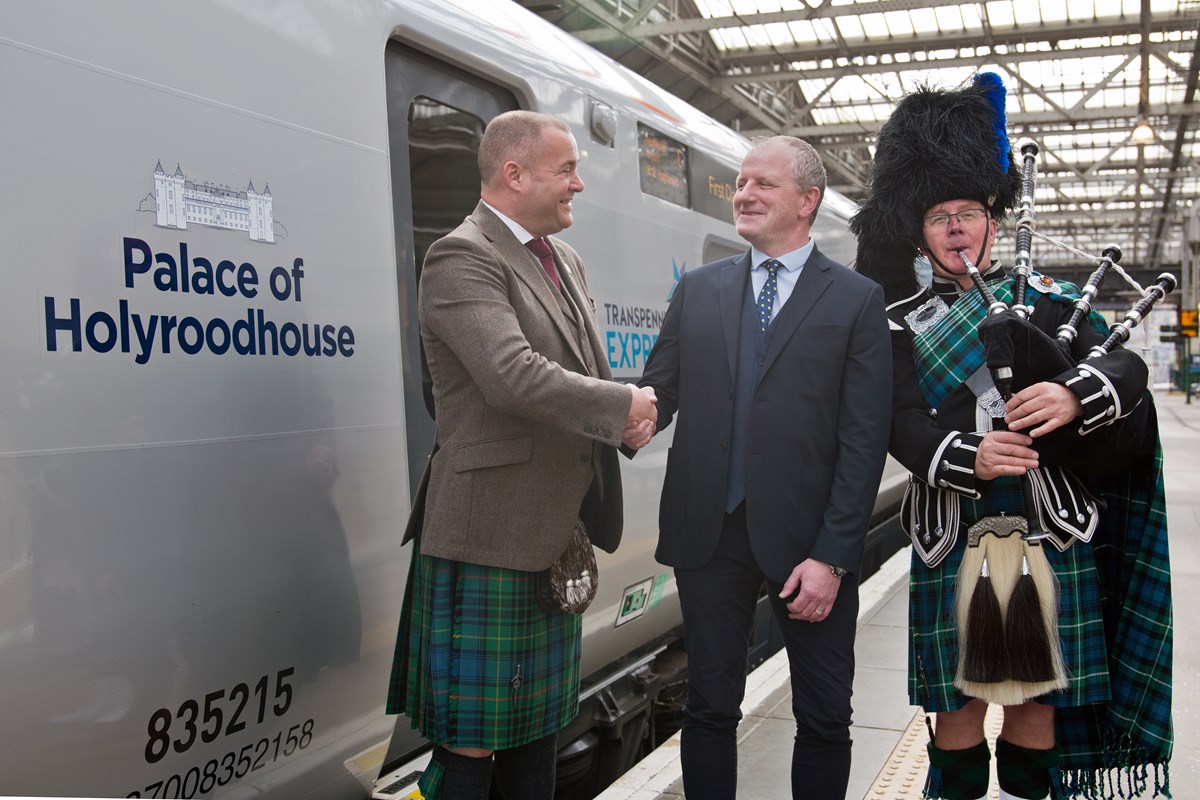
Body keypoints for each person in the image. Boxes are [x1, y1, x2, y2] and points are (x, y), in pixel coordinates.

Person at [851, 74, 1173, 800]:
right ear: (919, 230)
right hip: (953, 525)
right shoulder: (896, 322)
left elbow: (1123, 363)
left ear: (995, 219)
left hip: (1047, 525)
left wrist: (1072, 392)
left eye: (969, 210)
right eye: (939, 216)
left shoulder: (1053, 304)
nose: (956, 227)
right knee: (954, 708)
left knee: (1035, 704)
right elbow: (896, 417)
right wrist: (966, 454)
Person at [385, 110, 658, 800]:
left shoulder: (563, 259)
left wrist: (620, 423)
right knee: (472, 744)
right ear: (514, 174)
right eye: (567, 169)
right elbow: (511, 373)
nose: (579, 185)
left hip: (550, 535)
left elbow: (582, 371)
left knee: (539, 732)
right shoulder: (461, 255)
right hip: (488, 535)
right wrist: (618, 406)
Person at [632, 136, 893, 799]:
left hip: (809, 543)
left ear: (807, 201)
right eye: (741, 183)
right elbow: (657, 395)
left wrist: (833, 557)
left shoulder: (857, 300)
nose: (743, 194)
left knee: (825, 715)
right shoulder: (697, 290)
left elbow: (864, 441)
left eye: (762, 185)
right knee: (710, 707)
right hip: (709, 534)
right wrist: (608, 418)